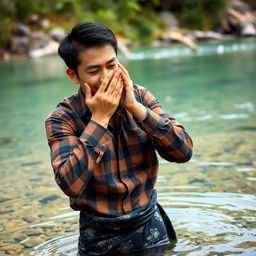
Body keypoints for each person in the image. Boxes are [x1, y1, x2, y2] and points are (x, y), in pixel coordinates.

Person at [45, 22, 193, 256]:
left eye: (112, 65)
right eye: (94, 71)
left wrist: (135, 108)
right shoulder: (63, 118)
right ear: (74, 75)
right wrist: (99, 119)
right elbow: (70, 185)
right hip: (99, 235)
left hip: (149, 226)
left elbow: (183, 152)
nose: (106, 78)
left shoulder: (140, 96)